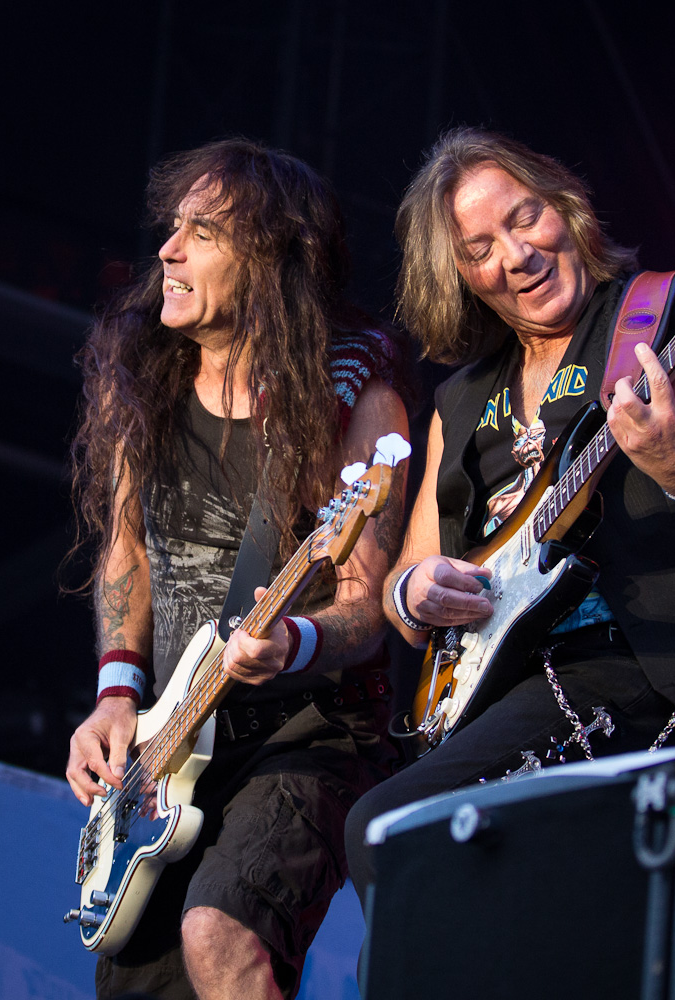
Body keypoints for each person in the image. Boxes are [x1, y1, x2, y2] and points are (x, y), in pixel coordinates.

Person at [343, 126, 675, 900]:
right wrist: (414, 592)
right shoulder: (460, 399)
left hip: (644, 677)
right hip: (495, 695)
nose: (516, 255)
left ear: (564, 207)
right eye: (481, 246)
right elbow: (405, 588)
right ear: (458, 275)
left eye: (524, 219)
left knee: (393, 833)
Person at [65, 138, 410, 1000]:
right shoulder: (146, 380)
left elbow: (371, 608)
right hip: (172, 745)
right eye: (173, 228)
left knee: (220, 935)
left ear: (270, 262)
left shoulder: (355, 401)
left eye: (203, 234)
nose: (167, 252)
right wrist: (116, 695)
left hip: (310, 738)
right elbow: (127, 554)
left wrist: (293, 641)